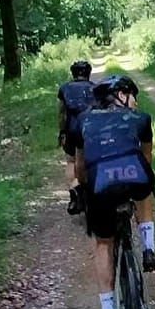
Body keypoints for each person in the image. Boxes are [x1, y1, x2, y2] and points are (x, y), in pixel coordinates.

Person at [81, 75, 155, 309]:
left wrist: (84, 190)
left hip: (100, 184)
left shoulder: (84, 122)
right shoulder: (141, 119)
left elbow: (80, 166)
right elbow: (147, 158)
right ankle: (148, 248)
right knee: (145, 189)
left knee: (104, 243)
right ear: (122, 95)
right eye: (133, 95)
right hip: (135, 177)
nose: (136, 101)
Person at [57, 60, 95, 215]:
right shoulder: (96, 88)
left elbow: (62, 113)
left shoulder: (64, 88)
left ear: (73, 74)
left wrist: (62, 132)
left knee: (71, 161)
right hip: (91, 129)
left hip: (72, 129)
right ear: (89, 74)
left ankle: (74, 192)